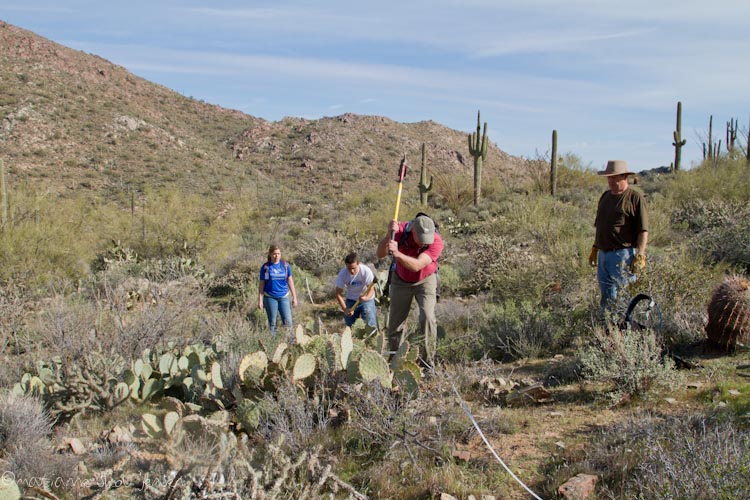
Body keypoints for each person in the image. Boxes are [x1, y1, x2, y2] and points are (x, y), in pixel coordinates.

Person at [376, 213, 443, 368]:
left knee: (427, 317)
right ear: (412, 230)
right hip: (401, 281)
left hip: (425, 280)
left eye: (426, 240)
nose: (422, 244)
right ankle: (394, 361)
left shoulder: (437, 241)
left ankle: (428, 362)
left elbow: (418, 265)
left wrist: (397, 254)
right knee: (395, 323)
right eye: (420, 239)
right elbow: (380, 254)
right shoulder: (399, 231)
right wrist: (388, 236)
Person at [588, 160, 649, 312]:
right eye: (609, 177)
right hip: (603, 254)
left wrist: (640, 254)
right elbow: (600, 225)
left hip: (623, 255)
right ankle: (608, 328)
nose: (611, 181)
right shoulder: (605, 197)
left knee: (625, 296)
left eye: (615, 177)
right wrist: (595, 247)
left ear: (624, 177)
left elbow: (643, 230)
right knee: (606, 296)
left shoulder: (635, 198)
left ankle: (626, 329)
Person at [258, 245, 298, 338]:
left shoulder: (285, 265)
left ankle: (290, 343)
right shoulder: (266, 267)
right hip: (270, 297)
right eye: (274, 254)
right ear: (270, 254)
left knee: (288, 322)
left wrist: (294, 297)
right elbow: (262, 284)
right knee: (272, 323)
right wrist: (260, 300)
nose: (277, 256)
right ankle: (273, 343)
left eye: (278, 254)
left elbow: (290, 281)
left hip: (284, 296)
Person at [334, 252, 377, 328]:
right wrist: (345, 309)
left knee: (370, 324)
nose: (352, 271)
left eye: (353, 268)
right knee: (350, 326)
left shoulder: (366, 271)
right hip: (351, 300)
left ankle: (370, 338)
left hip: (367, 300)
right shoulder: (343, 274)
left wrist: (366, 298)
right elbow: (338, 294)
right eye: (349, 268)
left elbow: (371, 288)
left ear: (358, 264)